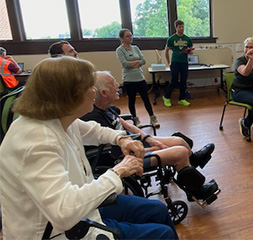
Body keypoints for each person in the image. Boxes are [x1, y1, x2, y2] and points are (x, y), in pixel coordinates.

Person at [0, 57, 178, 240]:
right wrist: (118, 172)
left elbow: (92, 130)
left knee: (158, 210)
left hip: (84, 207)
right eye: (89, 86)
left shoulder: (56, 117)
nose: (94, 90)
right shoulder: (36, 141)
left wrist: (120, 138)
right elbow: (64, 213)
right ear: (70, 95)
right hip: (61, 229)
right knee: (162, 234)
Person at [81, 71, 219, 202]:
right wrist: (153, 148)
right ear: (103, 93)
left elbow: (130, 127)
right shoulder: (93, 118)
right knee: (180, 151)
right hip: (123, 157)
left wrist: (150, 140)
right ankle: (196, 191)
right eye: (114, 83)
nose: (118, 85)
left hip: (132, 142)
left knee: (180, 141)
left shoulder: (107, 108)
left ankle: (192, 161)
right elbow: (116, 153)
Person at [116, 29, 160, 129]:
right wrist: (137, 62)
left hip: (140, 78)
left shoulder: (135, 48)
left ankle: (152, 117)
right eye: (127, 36)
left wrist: (133, 63)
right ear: (122, 38)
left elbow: (143, 61)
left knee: (146, 99)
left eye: (131, 35)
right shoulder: (120, 50)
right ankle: (135, 119)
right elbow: (125, 64)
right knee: (132, 100)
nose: (130, 37)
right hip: (129, 80)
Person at [163, 20, 193, 107]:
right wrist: (169, 62)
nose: (181, 28)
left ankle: (182, 99)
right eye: (179, 27)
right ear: (176, 28)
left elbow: (191, 51)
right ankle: (166, 97)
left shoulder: (187, 39)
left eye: (183, 26)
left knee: (183, 81)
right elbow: (166, 51)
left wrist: (188, 52)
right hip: (175, 62)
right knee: (174, 81)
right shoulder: (171, 38)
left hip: (184, 62)